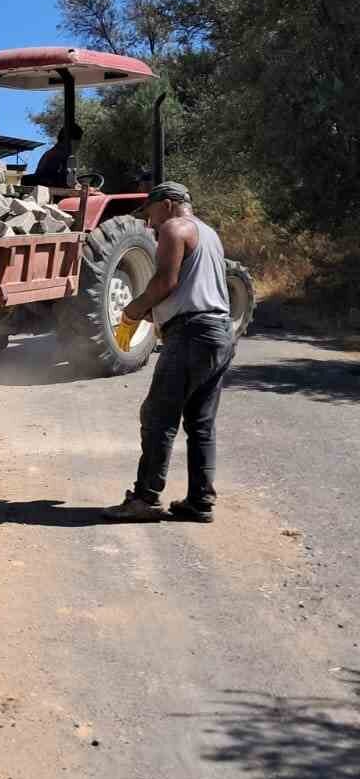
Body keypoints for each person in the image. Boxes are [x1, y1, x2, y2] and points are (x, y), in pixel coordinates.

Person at [104, 181, 235, 524]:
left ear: (167, 204)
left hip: (192, 334)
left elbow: (166, 281)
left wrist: (133, 311)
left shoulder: (174, 228)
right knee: (201, 423)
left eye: (149, 213)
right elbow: (193, 286)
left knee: (158, 417)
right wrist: (157, 311)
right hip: (218, 331)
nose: (149, 223)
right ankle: (200, 501)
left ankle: (145, 498)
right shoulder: (208, 233)